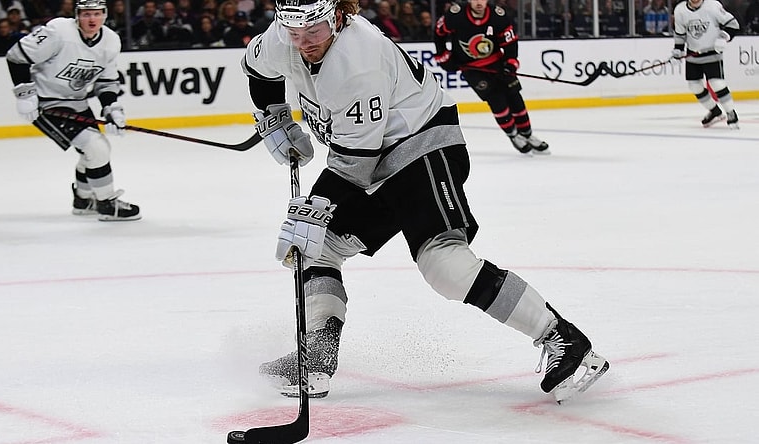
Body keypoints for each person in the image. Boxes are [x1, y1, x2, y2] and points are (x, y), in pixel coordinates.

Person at [240, 0, 609, 403]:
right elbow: (258, 71)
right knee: (318, 248)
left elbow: (355, 163)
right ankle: (317, 357)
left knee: (445, 266)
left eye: (315, 30)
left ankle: (564, 339)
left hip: (420, 148)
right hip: (372, 156)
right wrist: (273, 115)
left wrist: (314, 206)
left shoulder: (358, 60)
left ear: (339, 17)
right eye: (295, 32)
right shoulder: (283, 38)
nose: (305, 42)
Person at [5, 0, 141, 221]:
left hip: (77, 102)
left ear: (105, 16)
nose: (92, 19)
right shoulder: (58, 31)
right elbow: (16, 57)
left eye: (97, 14)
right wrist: (24, 93)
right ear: (77, 16)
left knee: (92, 152)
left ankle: (83, 199)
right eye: (86, 14)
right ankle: (106, 203)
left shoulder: (111, 41)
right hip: (46, 103)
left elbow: (106, 81)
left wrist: (111, 107)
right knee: (97, 148)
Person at [434, 0, 549, 155]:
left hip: (497, 64)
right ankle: (514, 135)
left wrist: (510, 63)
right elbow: (439, 32)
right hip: (472, 69)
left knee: (515, 98)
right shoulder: (456, 15)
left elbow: (510, 42)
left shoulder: (497, 15)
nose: (478, 2)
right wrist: (443, 56)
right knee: (497, 101)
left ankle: (528, 135)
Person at [672, 0, 741, 128]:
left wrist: (723, 37)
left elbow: (733, 24)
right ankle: (714, 111)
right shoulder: (680, 10)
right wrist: (678, 49)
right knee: (694, 86)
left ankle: (731, 113)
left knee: (717, 83)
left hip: (712, 53)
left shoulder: (713, 6)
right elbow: (680, 33)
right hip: (693, 55)